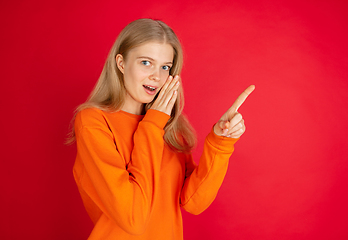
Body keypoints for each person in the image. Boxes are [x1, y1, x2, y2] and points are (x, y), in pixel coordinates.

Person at [68, 18, 254, 239]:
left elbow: (193, 202)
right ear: (121, 63)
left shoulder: (170, 125)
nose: (157, 76)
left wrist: (220, 142)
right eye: (146, 62)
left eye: (165, 67)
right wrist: (153, 124)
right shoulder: (93, 121)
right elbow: (132, 218)